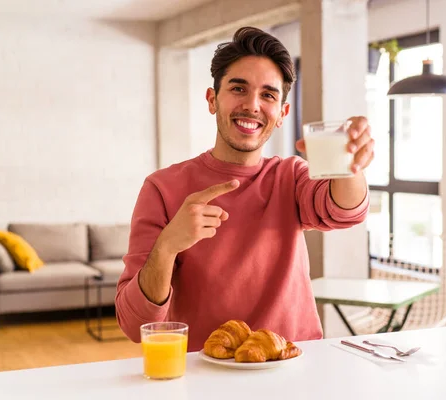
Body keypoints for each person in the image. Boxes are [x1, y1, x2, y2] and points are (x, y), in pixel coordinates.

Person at [115, 26, 375, 351]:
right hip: (207, 372)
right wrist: (168, 245)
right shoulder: (162, 188)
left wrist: (351, 162)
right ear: (213, 100)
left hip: (294, 365)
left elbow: (345, 211)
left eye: (268, 95)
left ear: (282, 114)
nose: (252, 105)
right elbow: (135, 324)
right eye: (238, 88)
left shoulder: (290, 176)